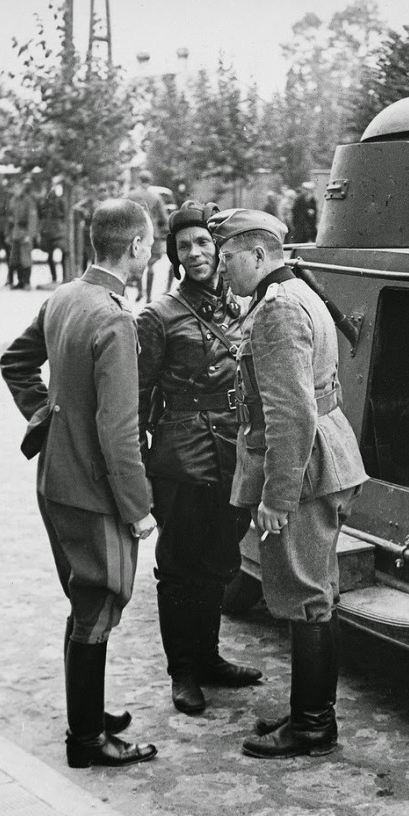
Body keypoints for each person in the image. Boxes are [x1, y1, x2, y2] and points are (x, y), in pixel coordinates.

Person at [0, 198, 159, 770]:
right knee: (98, 604)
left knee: (83, 602)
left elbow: (15, 362)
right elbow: (120, 431)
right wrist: (138, 509)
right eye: (151, 241)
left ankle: (86, 716)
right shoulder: (115, 317)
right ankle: (87, 741)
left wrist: (47, 416)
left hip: (55, 481)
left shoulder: (65, 296)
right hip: (94, 491)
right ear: (137, 247)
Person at [207, 208, 367, 759]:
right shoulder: (298, 294)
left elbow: (291, 414)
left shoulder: (277, 311)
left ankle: (314, 726)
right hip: (329, 455)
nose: (222, 269)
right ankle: (310, 711)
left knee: (305, 596)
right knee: (317, 592)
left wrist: (276, 500)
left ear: (257, 254)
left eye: (227, 258)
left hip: (305, 468)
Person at [137, 200, 262, 716]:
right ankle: (183, 671)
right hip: (182, 457)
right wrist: (140, 466)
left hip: (232, 453)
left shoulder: (242, 309)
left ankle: (208, 658)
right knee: (180, 565)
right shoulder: (158, 317)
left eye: (203, 243)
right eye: (184, 246)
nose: (194, 253)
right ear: (174, 255)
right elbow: (138, 397)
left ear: (219, 248)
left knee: (220, 560)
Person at [128, 169, 169, 303]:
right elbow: (164, 217)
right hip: (153, 234)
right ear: (150, 181)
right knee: (150, 265)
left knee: (138, 261)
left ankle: (140, 291)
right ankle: (149, 297)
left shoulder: (131, 195)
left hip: (136, 233)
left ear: (139, 180)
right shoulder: (156, 197)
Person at [8, 176, 39, 289]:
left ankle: (26, 282)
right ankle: (19, 282)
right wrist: (9, 233)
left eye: (19, 188)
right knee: (15, 258)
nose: (17, 190)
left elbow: (32, 218)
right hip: (16, 231)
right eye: (15, 188)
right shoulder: (13, 200)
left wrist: (29, 235)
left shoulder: (28, 200)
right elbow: (10, 216)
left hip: (25, 231)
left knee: (25, 258)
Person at [39, 176, 66, 284]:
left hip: (58, 231)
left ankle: (64, 276)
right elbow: (41, 214)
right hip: (48, 231)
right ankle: (54, 277)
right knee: (50, 256)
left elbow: (63, 214)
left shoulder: (60, 200)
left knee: (63, 254)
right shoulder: (44, 201)